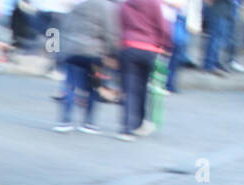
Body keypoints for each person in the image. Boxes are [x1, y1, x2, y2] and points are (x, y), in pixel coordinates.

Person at [52, 0, 118, 133]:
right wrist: (112, 53)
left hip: (72, 51)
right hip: (95, 53)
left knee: (70, 85)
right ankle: (89, 123)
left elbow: (64, 27)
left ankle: (65, 121)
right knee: (94, 87)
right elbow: (110, 33)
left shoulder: (78, 5)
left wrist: (59, 52)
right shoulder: (107, 7)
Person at [118, 0, 169, 138]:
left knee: (129, 89)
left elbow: (120, 25)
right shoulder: (155, 3)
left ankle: (126, 128)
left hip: (129, 47)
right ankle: (139, 123)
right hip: (149, 49)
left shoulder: (126, 3)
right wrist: (164, 45)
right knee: (143, 87)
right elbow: (163, 27)